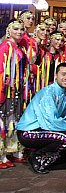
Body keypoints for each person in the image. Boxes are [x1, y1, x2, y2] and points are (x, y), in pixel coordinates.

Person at [16, 63, 66, 174]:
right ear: (56, 75)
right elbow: (51, 123)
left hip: (45, 130)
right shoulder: (47, 93)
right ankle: (36, 157)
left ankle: (43, 158)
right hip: (28, 132)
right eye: (63, 74)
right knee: (65, 138)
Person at [0, 19, 27, 169]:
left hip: (16, 90)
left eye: (22, 29)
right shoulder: (5, 46)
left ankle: (11, 151)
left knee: (12, 121)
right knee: (3, 122)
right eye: (16, 29)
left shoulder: (18, 48)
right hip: (6, 89)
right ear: (9, 30)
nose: (19, 32)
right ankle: (1, 155)